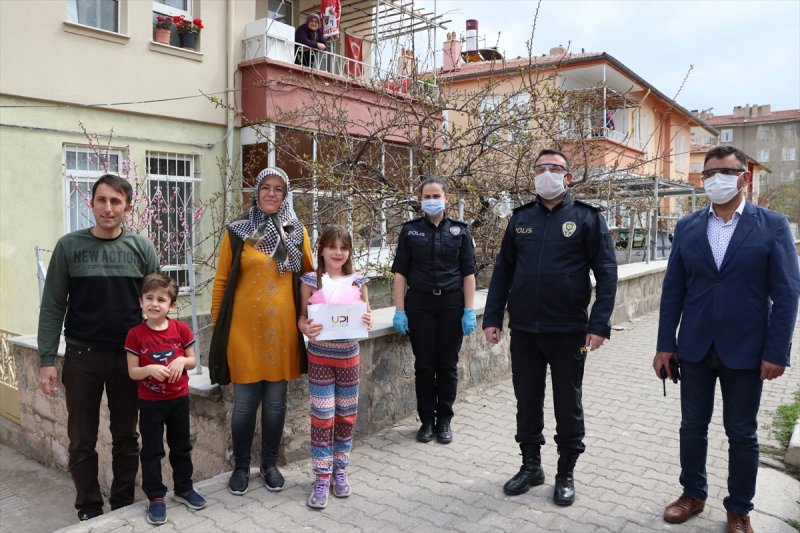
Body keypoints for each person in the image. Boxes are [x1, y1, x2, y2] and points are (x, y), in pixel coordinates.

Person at [653, 145, 800, 533]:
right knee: (691, 425)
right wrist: (665, 344)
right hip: (695, 347)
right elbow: (673, 291)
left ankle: (738, 509)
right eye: (708, 174)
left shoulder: (772, 225)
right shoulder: (687, 226)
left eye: (725, 172)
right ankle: (692, 494)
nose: (715, 180)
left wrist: (777, 351)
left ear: (744, 177)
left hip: (747, 350)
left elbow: (786, 294)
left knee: (742, 433)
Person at [482, 149, 617, 506]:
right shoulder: (520, 219)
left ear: (567, 177)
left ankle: (565, 472)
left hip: (570, 332)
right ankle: (531, 466)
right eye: (540, 168)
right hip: (525, 330)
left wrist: (599, 323)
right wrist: (493, 317)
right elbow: (503, 272)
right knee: (527, 402)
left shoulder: (588, 219)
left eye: (554, 168)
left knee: (567, 403)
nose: (546, 174)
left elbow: (607, 274)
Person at [37, 174, 160, 521]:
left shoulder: (141, 248)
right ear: (90, 203)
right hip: (81, 358)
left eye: (116, 202)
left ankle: (121, 505)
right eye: (102, 200)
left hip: (129, 359)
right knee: (81, 439)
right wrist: (47, 358)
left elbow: (159, 304)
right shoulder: (68, 247)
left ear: (127, 208)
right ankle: (90, 508)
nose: (108, 208)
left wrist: (162, 351)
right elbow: (53, 305)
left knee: (125, 437)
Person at [210, 167, 314, 496]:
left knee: (275, 403)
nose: (271, 193)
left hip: (282, 331)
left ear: (286, 195)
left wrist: (328, 311)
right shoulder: (238, 232)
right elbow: (222, 280)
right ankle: (241, 467)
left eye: (278, 189)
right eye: (265, 188)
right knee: (244, 405)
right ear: (256, 191)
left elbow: (311, 279)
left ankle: (270, 465)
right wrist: (218, 328)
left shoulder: (297, 232)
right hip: (243, 332)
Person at [391, 176, 477, 445]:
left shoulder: (461, 231)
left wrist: (469, 309)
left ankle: (445, 421)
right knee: (425, 366)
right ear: (420, 200)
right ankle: (427, 421)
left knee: (448, 366)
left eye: (435, 196)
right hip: (420, 305)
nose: (431, 200)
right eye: (426, 196)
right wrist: (400, 310)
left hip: (452, 304)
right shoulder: (410, 231)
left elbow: (468, 274)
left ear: (446, 198)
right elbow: (400, 274)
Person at [297, 225, 373, 510]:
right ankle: (321, 475)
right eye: (332, 247)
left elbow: (367, 315)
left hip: (349, 358)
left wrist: (368, 320)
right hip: (319, 358)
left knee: (346, 416)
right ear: (322, 249)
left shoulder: (358, 281)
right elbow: (301, 319)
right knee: (323, 416)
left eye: (343, 247)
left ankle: (340, 470)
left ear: (349, 251)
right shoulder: (310, 280)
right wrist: (307, 326)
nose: (338, 252)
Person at [125, 273, 207, 526]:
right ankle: (156, 497)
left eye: (161, 299)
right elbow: (133, 371)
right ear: (140, 302)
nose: (154, 304)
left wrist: (182, 360)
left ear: (171, 305)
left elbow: (193, 361)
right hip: (150, 403)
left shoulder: (180, 329)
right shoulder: (135, 335)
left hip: (179, 399)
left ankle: (183, 488)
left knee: (181, 446)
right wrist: (150, 370)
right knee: (152, 451)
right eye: (149, 298)